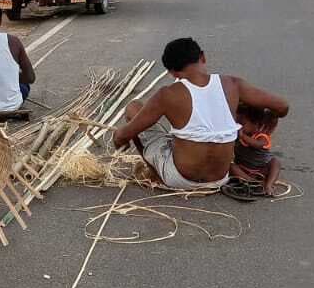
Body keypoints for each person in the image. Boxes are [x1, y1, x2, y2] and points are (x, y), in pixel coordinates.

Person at [113, 38, 289, 191]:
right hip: (220, 179)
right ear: (203, 57)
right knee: (177, 137)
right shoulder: (233, 84)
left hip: (179, 179)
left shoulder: (167, 94)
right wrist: (268, 122)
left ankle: (156, 175)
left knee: (133, 108)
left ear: (172, 72)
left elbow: (124, 135)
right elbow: (283, 107)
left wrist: (118, 136)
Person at [226, 104, 283, 199]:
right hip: (243, 168)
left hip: (261, 168)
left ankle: (269, 184)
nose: (239, 126)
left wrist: (243, 136)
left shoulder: (262, 137)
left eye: (242, 124)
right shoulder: (239, 134)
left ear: (257, 125)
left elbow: (258, 144)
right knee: (230, 166)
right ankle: (251, 182)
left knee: (275, 162)